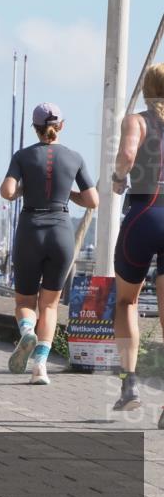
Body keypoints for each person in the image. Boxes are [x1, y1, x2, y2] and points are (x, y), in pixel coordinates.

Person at [1, 103, 98, 385]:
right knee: (50, 305)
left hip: (31, 230)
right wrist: (66, 193)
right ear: (61, 126)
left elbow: (7, 192)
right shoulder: (74, 157)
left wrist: (24, 189)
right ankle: (40, 367)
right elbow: (92, 200)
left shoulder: (22, 156)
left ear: (35, 128)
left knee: (25, 301)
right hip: (61, 232)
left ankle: (27, 331)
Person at [111, 63, 164, 411]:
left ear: (146, 89)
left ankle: (130, 384)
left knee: (126, 302)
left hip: (144, 214)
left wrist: (118, 178)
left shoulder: (137, 121)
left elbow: (127, 155)